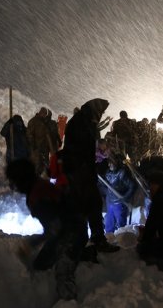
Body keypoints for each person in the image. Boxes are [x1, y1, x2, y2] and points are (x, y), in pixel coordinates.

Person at [6, 159, 87, 300]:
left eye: (14, 181)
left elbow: (55, 228)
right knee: (41, 264)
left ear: (21, 180)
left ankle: (69, 306)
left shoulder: (38, 196)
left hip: (73, 233)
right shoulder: (39, 186)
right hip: (71, 228)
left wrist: (31, 244)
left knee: (63, 270)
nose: (13, 186)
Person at [62, 98, 119, 253]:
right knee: (85, 204)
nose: (101, 114)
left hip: (84, 170)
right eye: (101, 111)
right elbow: (75, 147)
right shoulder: (80, 122)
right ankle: (79, 241)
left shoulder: (87, 121)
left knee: (92, 203)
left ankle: (94, 238)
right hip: (79, 171)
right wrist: (82, 166)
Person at [101, 154, 138, 233]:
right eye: (109, 163)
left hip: (119, 203)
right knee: (109, 225)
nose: (110, 165)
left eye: (112, 162)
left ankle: (121, 240)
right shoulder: (108, 173)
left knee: (121, 226)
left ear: (117, 162)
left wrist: (125, 197)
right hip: (110, 201)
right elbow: (105, 185)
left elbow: (132, 186)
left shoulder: (122, 174)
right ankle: (109, 239)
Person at [27, 107, 54, 176]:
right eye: (44, 114)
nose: (45, 116)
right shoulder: (33, 121)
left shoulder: (43, 122)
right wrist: (33, 147)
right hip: (36, 150)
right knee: (36, 167)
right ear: (40, 112)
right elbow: (29, 135)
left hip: (44, 149)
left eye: (45, 115)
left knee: (43, 166)